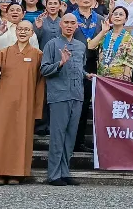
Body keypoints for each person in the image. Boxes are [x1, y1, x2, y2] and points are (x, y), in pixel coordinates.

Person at [0, 20, 44, 185]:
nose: (23, 32)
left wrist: (37, 106)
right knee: (1, 135)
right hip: (4, 100)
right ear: (16, 32)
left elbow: (41, 82)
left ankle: (17, 173)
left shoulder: (37, 54)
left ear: (32, 34)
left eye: (26, 30)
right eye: (20, 29)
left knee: (21, 136)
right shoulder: (5, 52)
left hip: (26, 102)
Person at [40, 13, 87, 186]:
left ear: (77, 26)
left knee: (70, 136)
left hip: (77, 95)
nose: (69, 25)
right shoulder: (52, 45)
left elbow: (79, 68)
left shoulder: (81, 46)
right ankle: (53, 174)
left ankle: (65, 172)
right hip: (59, 95)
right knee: (58, 136)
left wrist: (87, 75)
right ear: (60, 24)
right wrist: (60, 64)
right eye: (66, 22)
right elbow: (44, 70)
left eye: (72, 23)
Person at [87, 6, 130, 81]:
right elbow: (90, 46)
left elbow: (129, 61)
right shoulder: (105, 35)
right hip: (102, 76)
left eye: (121, 14)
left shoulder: (128, 38)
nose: (117, 16)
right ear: (111, 17)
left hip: (119, 78)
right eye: (115, 14)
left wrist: (126, 79)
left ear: (126, 19)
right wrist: (103, 31)